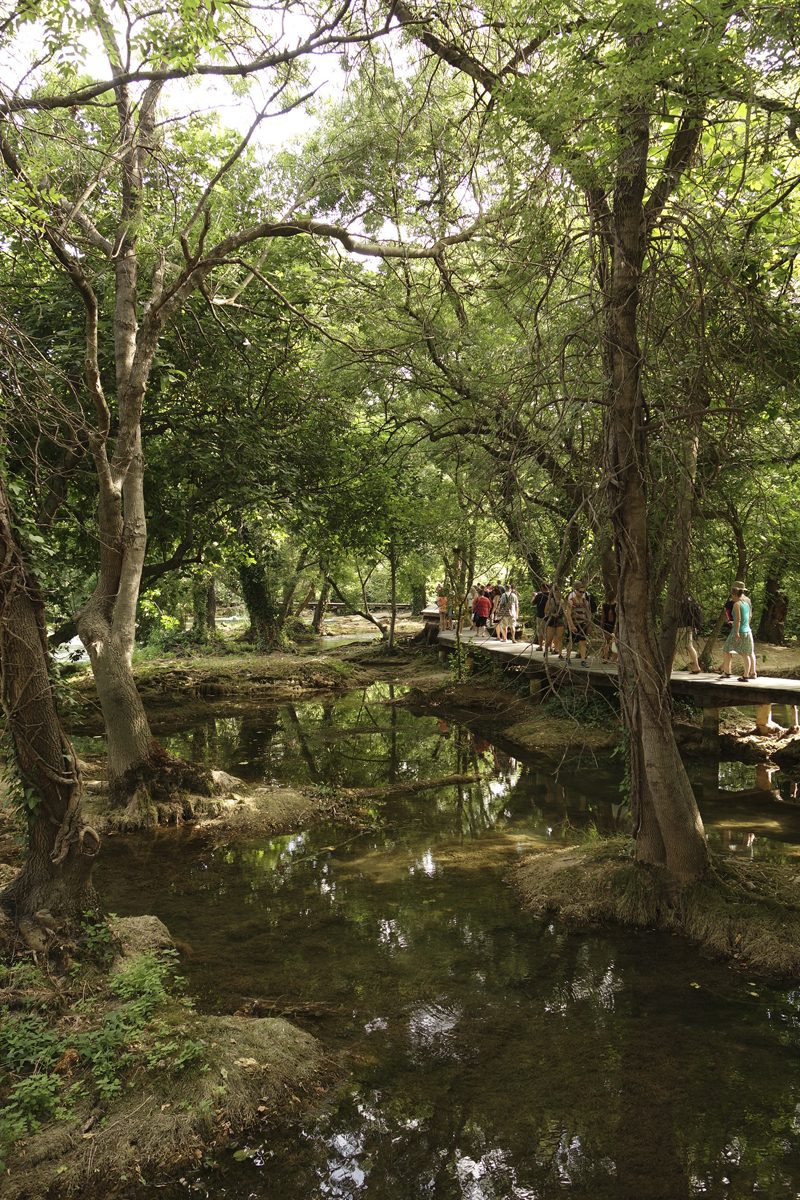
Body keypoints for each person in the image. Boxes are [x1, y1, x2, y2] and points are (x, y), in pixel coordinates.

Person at [719, 586, 754, 680]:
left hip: (739, 631)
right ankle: (746, 675)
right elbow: (745, 618)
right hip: (747, 631)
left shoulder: (736, 604)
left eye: (731, 595)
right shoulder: (746, 604)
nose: (731, 597)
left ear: (734, 594)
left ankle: (727, 671)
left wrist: (736, 632)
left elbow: (738, 619)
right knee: (745, 654)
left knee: (726, 649)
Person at [673, 595, 702, 675]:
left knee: (673, 647)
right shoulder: (689, 599)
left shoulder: (679, 599)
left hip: (680, 626)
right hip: (689, 626)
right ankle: (696, 666)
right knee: (689, 646)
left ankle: (670, 668)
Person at [565, 581, 592, 666]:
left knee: (583, 642)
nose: (581, 593)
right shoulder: (571, 602)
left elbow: (588, 614)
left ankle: (583, 660)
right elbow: (568, 614)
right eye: (580, 591)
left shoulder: (585, 602)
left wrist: (590, 625)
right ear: (576, 591)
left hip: (583, 625)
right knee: (571, 642)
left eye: (583, 592)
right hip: (574, 624)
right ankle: (567, 657)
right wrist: (572, 625)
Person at [543, 585, 565, 658]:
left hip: (560, 620)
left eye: (559, 592)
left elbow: (565, 612)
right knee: (550, 638)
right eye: (556, 592)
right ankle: (546, 650)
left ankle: (560, 653)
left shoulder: (562, 602)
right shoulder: (550, 601)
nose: (558, 594)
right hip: (552, 620)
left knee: (559, 637)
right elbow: (545, 611)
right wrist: (552, 614)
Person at [533, 582, 550, 649]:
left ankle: (540, 646)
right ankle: (550, 647)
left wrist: (533, 596)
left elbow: (533, 604)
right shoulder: (552, 595)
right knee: (549, 632)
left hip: (540, 615)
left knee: (540, 631)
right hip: (550, 616)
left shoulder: (539, 596)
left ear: (542, 588)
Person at [600, 594, 617, 663]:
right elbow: (617, 617)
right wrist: (616, 626)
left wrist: (601, 626)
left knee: (606, 642)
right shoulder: (616, 606)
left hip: (606, 625)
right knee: (614, 642)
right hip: (613, 625)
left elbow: (602, 617)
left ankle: (606, 658)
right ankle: (614, 659)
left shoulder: (604, 606)